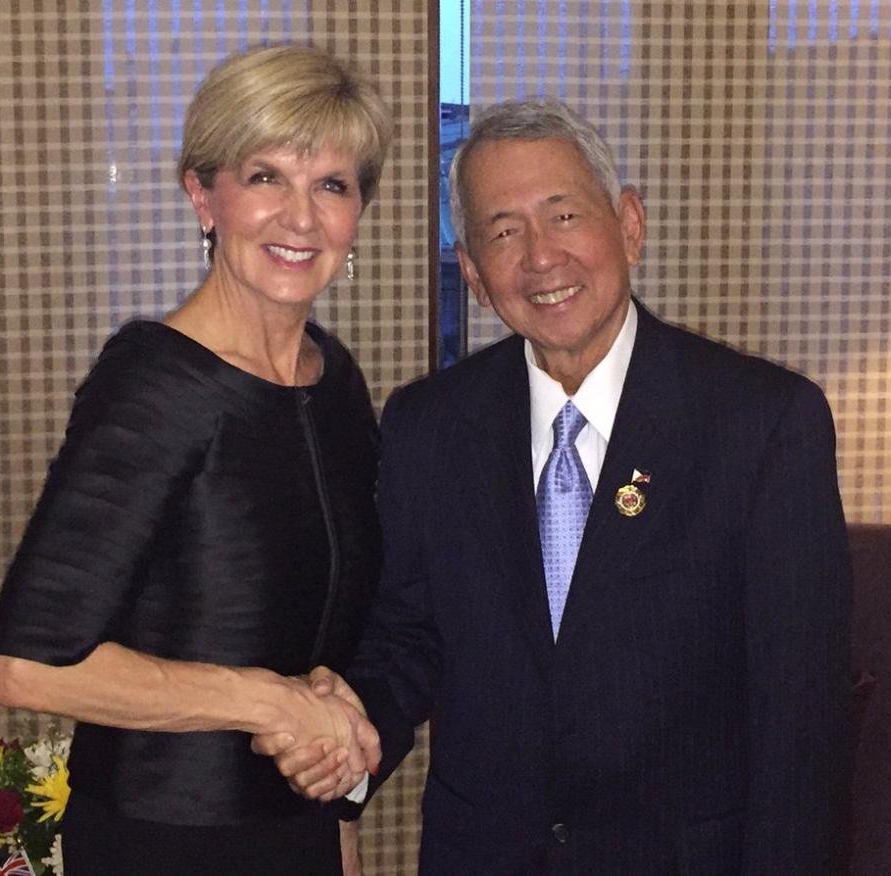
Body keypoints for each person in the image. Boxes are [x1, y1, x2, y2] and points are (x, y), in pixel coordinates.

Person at [259, 98, 852, 874]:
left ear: (629, 226)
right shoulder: (428, 426)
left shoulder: (763, 424)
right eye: (503, 232)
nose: (540, 257)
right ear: (472, 273)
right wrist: (350, 732)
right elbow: (408, 636)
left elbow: (800, 719)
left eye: (564, 215)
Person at [0, 44, 392, 876]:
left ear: (358, 215)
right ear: (203, 195)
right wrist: (263, 698)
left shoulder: (334, 380)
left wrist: (340, 801)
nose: (301, 218)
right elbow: (26, 667)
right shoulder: (154, 382)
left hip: (300, 831)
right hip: (161, 843)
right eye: (266, 176)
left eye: (331, 185)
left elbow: (336, 622)